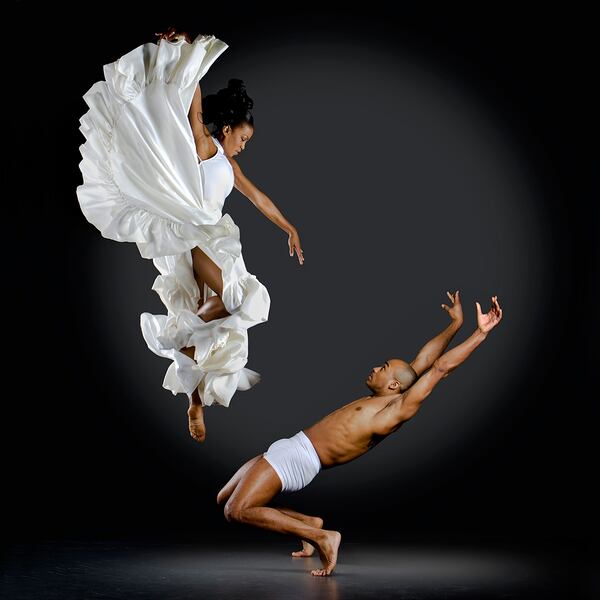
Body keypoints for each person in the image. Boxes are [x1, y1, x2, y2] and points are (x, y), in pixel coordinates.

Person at [77, 27, 304, 443]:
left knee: (220, 322)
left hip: (218, 236)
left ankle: (194, 400)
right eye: (243, 138)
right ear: (230, 127)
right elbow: (187, 94)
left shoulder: (229, 166)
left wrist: (288, 226)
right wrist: (183, 53)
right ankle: (178, 343)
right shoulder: (202, 145)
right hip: (193, 235)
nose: (243, 147)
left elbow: (257, 199)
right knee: (238, 301)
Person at [216, 292, 503, 576]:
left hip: (300, 459)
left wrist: (479, 333)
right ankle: (309, 523)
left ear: (393, 386)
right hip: (291, 445)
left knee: (236, 510)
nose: (376, 367)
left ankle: (323, 537)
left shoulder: (393, 411)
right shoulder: (391, 390)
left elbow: (439, 368)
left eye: (384, 368)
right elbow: (424, 360)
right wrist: (454, 325)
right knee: (224, 498)